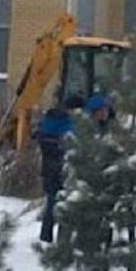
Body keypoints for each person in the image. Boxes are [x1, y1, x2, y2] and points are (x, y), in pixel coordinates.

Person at [35, 98, 79, 242]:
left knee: (52, 203)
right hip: (59, 169)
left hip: (49, 168)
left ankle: (46, 236)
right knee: (61, 203)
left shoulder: (50, 120)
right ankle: (59, 240)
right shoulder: (67, 123)